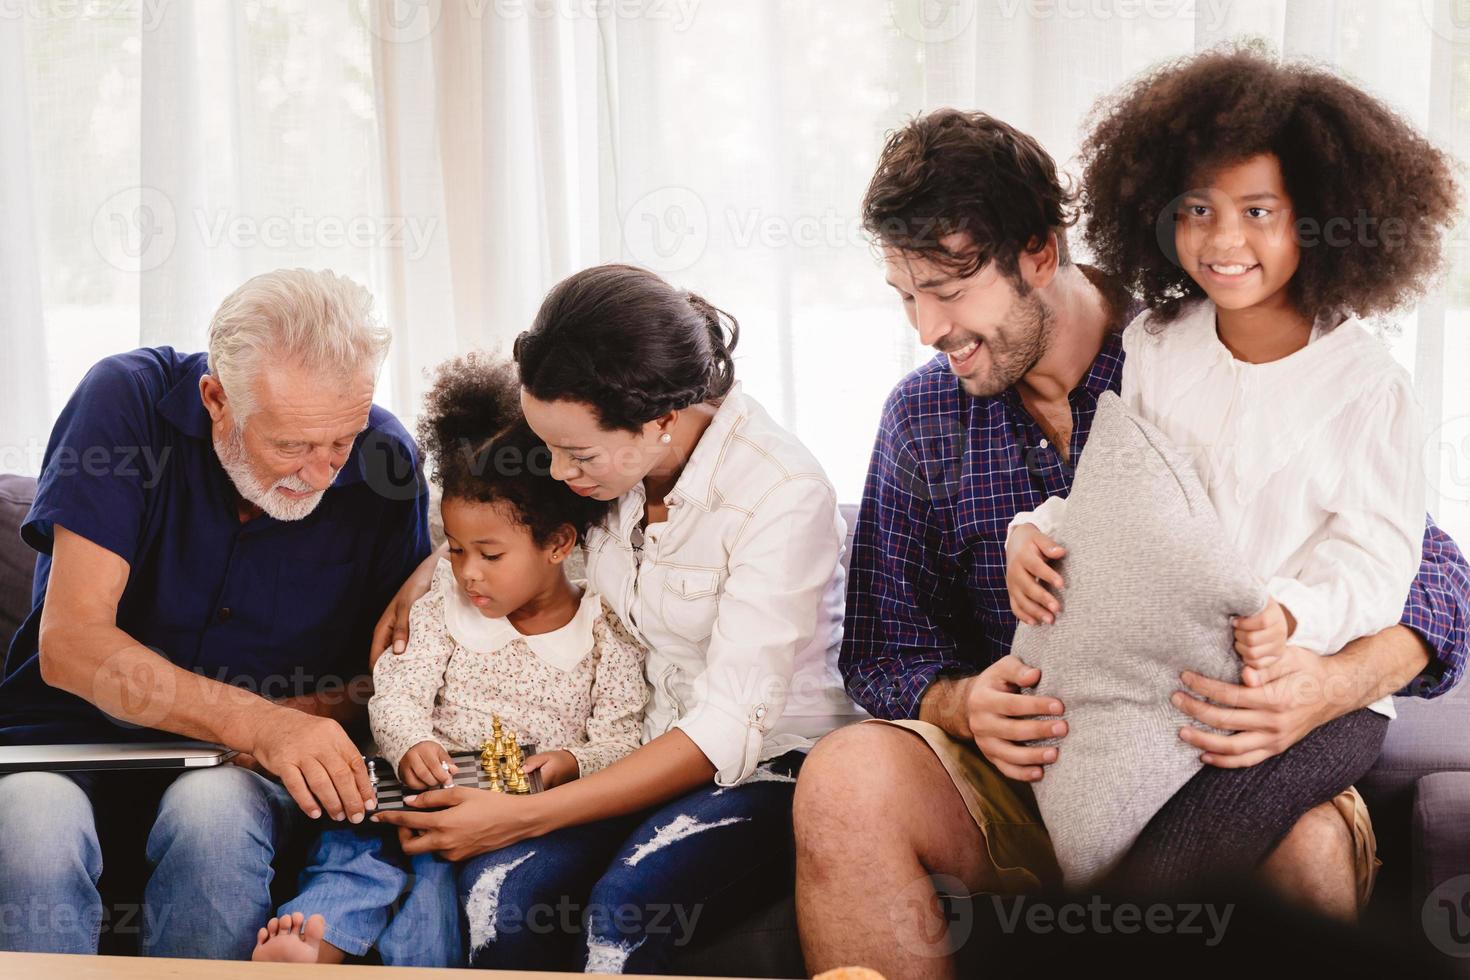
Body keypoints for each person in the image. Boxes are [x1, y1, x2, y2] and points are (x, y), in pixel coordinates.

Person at [794, 101, 1469, 979]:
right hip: (1023, 772)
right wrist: (965, 706)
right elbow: (885, 652)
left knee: (1302, 846)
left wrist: (1331, 684)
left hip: (1210, 747)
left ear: (1040, 252)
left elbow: (1431, 573)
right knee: (847, 780)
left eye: (950, 291)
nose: (927, 330)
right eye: (906, 295)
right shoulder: (923, 416)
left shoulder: (1205, 345)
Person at [1003, 48, 1455, 888]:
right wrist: (1032, 532)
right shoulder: (1158, 345)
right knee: (1102, 850)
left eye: (1258, 211)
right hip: (1169, 674)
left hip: (1310, 694)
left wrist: (1290, 616)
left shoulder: (1370, 389)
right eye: (1198, 209)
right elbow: (1121, 491)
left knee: (1170, 870)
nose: (1223, 240)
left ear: (1319, 218)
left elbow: (1377, 564)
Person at [368, 264, 865, 973]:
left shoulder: (782, 493)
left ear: (661, 420)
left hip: (766, 768)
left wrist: (522, 816)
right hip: (635, 747)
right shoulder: (599, 451)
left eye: (576, 456)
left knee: (621, 920)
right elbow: (501, 514)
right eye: (546, 447)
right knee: (499, 902)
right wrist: (435, 567)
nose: (557, 474)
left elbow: (727, 726)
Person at [0, 268, 431, 958]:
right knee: (32, 826)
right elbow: (74, 644)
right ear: (216, 399)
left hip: (238, 778)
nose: (320, 473)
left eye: (339, 442)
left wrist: (438, 566)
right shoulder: (125, 402)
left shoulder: (385, 462)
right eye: (290, 445)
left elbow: (389, 685)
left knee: (216, 818)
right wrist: (264, 724)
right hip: (62, 744)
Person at [252, 354, 647, 966]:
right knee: (359, 845)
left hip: (504, 806)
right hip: (413, 786)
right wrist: (410, 743)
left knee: (435, 882)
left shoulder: (603, 630)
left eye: (488, 555)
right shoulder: (440, 607)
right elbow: (397, 690)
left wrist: (571, 761)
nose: (465, 571)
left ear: (558, 544)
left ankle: (399, 960)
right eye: (454, 549)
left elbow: (623, 737)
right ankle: (317, 938)